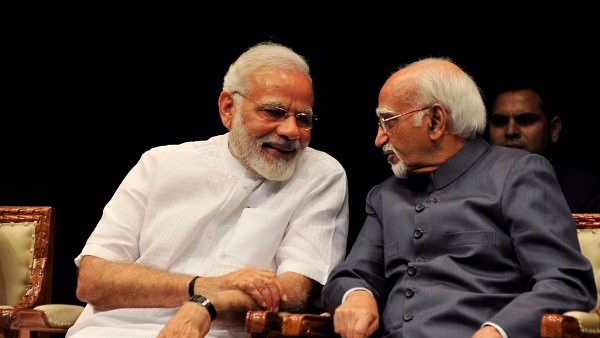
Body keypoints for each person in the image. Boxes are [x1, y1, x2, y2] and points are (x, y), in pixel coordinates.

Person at [66, 41, 350, 338]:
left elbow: (295, 290)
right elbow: (93, 280)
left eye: (303, 119)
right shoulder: (161, 163)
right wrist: (202, 287)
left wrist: (207, 305)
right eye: (273, 112)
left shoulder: (320, 174)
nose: (291, 131)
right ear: (228, 108)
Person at [321, 57, 597, 338]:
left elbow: (566, 281)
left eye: (388, 121)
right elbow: (351, 275)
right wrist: (356, 295)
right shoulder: (385, 195)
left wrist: (499, 331)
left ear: (435, 121)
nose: (379, 139)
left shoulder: (517, 174)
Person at [487, 85, 600, 212]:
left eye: (526, 120)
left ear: (554, 129)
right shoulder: (474, 188)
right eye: (499, 121)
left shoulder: (587, 191)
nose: (511, 131)